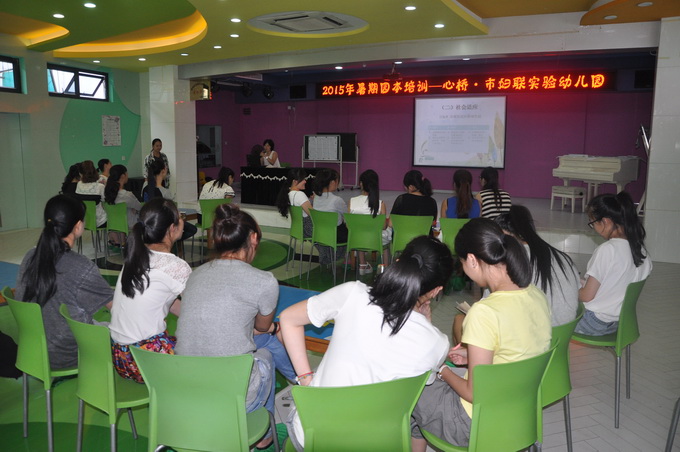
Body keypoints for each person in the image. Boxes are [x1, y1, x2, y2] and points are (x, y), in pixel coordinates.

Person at [280, 236, 454, 451]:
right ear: (436, 290)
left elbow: (288, 319)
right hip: (380, 443)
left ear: (396, 264)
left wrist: (306, 379)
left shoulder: (352, 293)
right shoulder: (438, 343)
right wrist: (427, 323)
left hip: (314, 436)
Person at [411, 218, 551, 449]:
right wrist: (471, 354)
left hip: (474, 423)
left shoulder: (484, 312)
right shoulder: (536, 295)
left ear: (473, 260)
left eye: (462, 263)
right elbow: (517, 351)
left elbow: (473, 394)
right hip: (520, 414)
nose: (464, 271)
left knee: (412, 386)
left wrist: (442, 369)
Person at [175, 204, 289, 450]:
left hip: (185, 392)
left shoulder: (195, 275)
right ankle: (263, 433)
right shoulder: (264, 281)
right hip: (234, 396)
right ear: (253, 238)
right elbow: (262, 327)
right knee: (266, 354)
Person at [14, 195, 113, 369]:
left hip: (33, 352)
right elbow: (117, 307)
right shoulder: (81, 267)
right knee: (120, 331)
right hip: (71, 355)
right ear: (78, 226)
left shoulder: (30, 256)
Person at [109, 198, 191, 383]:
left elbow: (168, 303)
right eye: (180, 216)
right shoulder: (175, 266)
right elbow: (200, 313)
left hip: (121, 357)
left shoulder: (136, 255)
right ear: (171, 228)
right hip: (147, 360)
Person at [575, 192, 652, 336]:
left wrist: (566, 290)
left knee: (550, 309)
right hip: (619, 324)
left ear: (605, 222)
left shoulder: (608, 250)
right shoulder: (642, 252)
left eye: (593, 223)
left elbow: (586, 296)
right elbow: (615, 286)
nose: (594, 228)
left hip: (593, 322)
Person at [143, 158, 197, 244]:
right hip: (164, 223)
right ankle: (171, 242)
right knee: (192, 229)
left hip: (149, 222)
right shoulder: (165, 191)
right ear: (163, 171)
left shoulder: (145, 188)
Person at [348, 169, 391, 274]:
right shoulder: (380, 204)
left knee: (360, 231)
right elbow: (383, 227)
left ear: (361, 184)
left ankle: (362, 265)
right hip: (376, 240)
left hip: (357, 239)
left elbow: (349, 225)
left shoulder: (352, 201)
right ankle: (386, 268)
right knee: (387, 234)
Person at [312, 168, 347, 265]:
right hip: (336, 235)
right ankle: (352, 259)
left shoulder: (316, 198)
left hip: (320, 234)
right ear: (332, 182)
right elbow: (348, 216)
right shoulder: (337, 200)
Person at [104, 164, 143, 234]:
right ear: (123, 176)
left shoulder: (107, 193)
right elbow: (140, 208)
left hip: (113, 225)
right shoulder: (127, 195)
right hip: (129, 225)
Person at [276, 168, 313, 237]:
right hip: (307, 229)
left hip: (297, 228)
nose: (305, 181)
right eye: (303, 180)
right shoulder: (300, 194)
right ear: (295, 181)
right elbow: (313, 214)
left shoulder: (289, 194)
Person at [76, 160, 107, 227]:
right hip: (100, 221)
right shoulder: (100, 186)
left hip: (85, 220)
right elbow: (105, 200)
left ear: (81, 173)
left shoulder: (79, 184)